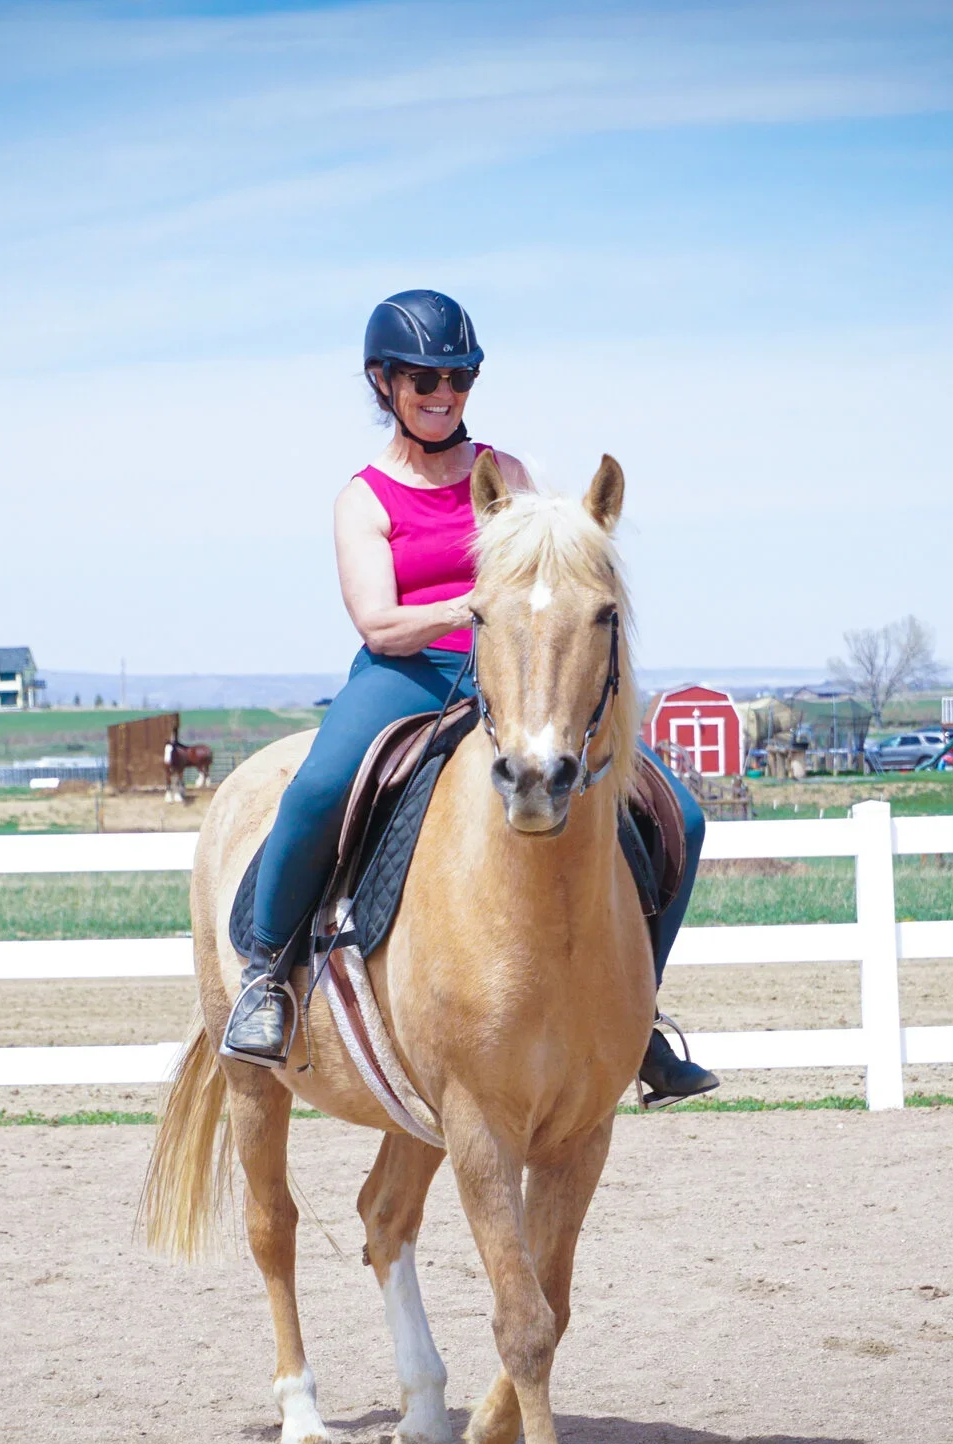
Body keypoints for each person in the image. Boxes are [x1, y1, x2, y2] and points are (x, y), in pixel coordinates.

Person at [222, 288, 717, 1106]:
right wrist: (472, 607)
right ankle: (267, 978)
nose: (442, 393)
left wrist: (527, 611)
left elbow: (557, 576)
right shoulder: (364, 497)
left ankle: (639, 1018)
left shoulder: (506, 474)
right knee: (315, 789)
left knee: (683, 817)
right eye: (422, 379)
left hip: (520, 675)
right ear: (384, 383)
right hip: (406, 673)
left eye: (457, 377)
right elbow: (379, 622)